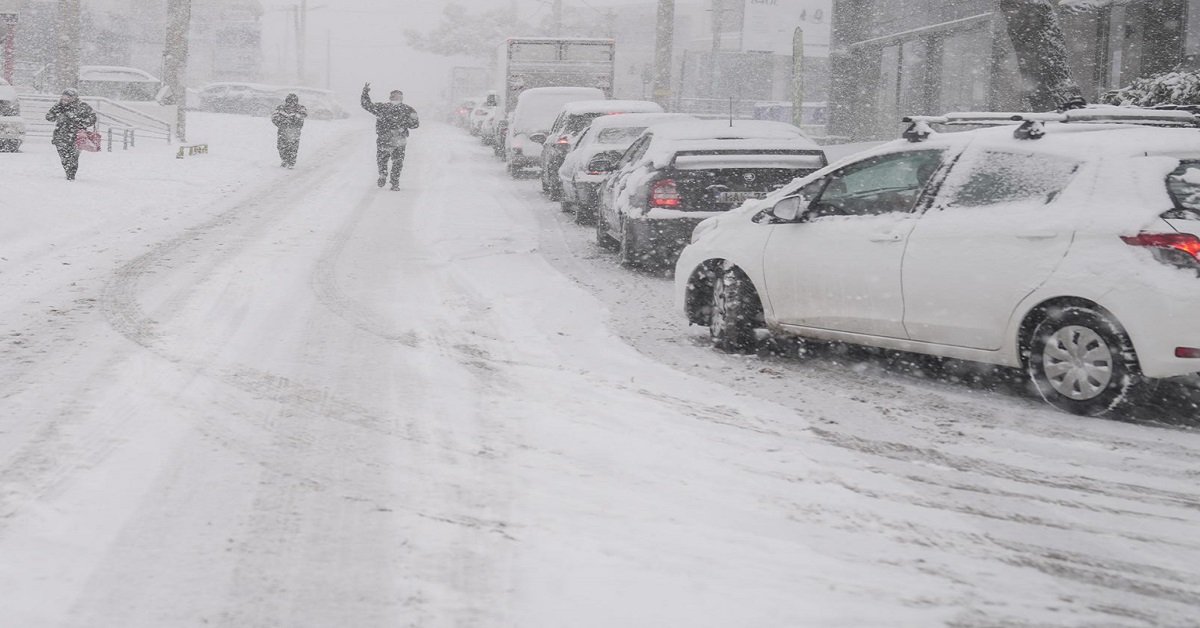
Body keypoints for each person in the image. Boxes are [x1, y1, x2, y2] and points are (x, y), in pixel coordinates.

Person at [361, 83, 420, 190]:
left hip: (386, 139)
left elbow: (367, 105)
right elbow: (415, 124)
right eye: (395, 97)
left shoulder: (382, 107)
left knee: (383, 159)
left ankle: (384, 175)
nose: (396, 99)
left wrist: (365, 93)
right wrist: (405, 125)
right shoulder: (407, 109)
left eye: (397, 97)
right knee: (397, 161)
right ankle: (394, 182)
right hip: (398, 140)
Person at [45, 88, 97, 181]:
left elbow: (92, 118)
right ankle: (68, 171)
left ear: (75, 97)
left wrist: (80, 122)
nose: (66, 99)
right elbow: (49, 117)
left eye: (69, 97)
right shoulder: (59, 106)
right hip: (60, 136)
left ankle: (71, 175)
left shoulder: (83, 106)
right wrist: (57, 111)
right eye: (64, 97)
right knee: (64, 157)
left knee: (73, 157)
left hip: (76, 137)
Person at [271, 93, 308, 169]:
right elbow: (274, 117)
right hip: (282, 131)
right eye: (290, 101)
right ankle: (284, 160)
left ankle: (291, 162)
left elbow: (304, 114)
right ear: (286, 101)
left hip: (294, 131)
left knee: (293, 147)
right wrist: (281, 122)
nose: (291, 103)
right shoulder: (281, 108)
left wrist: (295, 119)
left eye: (293, 101)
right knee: (281, 146)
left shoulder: (300, 108)